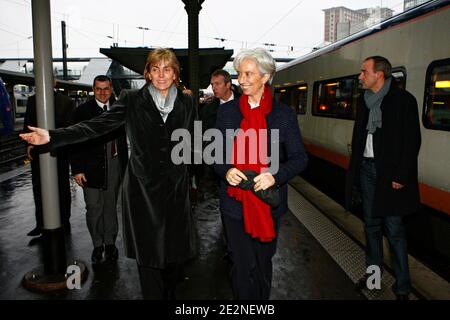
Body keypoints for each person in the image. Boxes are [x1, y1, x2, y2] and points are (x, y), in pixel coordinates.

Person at [20, 48, 197, 300]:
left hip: (176, 193)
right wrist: (53, 136)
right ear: (147, 73)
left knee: (174, 263)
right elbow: (95, 126)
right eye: (155, 69)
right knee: (149, 261)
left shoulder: (187, 102)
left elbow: (196, 143)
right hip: (143, 194)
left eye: (167, 69)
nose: (161, 75)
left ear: (175, 73)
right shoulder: (132, 99)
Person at [213, 48, 308, 300]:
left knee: (262, 265)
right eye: (239, 74)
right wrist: (226, 170)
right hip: (234, 204)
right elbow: (214, 154)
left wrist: (275, 176)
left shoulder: (283, 115)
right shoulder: (227, 112)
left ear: (265, 77)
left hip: (268, 203)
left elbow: (300, 158)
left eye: (248, 73)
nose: (241, 79)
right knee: (242, 266)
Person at [345, 56, 421, 300]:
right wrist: (355, 171)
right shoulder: (364, 102)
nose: (360, 76)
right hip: (367, 170)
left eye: (364, 72)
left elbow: (412, 141)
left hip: (390, 175)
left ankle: (402, 286)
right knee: (371, 227)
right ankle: (374, 278)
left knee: (395, 229)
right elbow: (360, 139)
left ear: (379, 74)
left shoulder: (403, 100)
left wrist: (402, 175)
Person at [69, 75, 128, 264]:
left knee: (110, 206)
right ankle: (97, 244)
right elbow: (74, 141)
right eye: (98, 88)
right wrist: (77, 169)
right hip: (90, 167)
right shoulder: (82, 112)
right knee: (94, 208)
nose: (103, 92)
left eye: (106, 88)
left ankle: (110, 244)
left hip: (114, 164)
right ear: (93, 89)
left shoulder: (120, 109)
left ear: (111, 89)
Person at [23, 88, 75, 237]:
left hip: (60, 152)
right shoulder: (32, 100)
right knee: (38, 186)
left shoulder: (66, 102)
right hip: (38, 152)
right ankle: (40, 223)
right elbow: (27, 124)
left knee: (62, 185)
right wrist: (28, 145)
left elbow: (70, 128)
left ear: (54, 82)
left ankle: (64, 220)